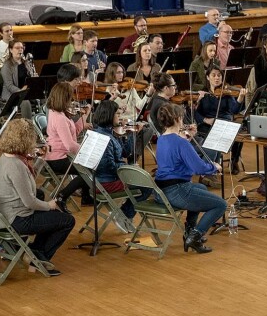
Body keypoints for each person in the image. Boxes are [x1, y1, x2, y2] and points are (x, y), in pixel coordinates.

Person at [0, 119, 74, 276]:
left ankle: (34, 255)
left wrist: (41, 160)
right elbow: (29, 202)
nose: (34, 143)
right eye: (32, 139)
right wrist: (49, 205)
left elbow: (26, 181)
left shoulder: (8, 157)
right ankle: (37, 259)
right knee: (67, 221)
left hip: (7, 213)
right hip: (17, 218)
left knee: (53, 218)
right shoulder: (15, 165)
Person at [154, 102, 225, 253]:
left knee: (201, 187)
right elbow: (198, 168)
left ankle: (189, 230)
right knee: (221, 205)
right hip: (177, 190)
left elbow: (178, 153)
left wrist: (188, 138)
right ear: (177, 118)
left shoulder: (161, 139)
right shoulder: (181, 143)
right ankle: (195, 236)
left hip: (161, 191)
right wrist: (214, 167)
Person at [90, 100, 150, 231]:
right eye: (117, 114)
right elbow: (108, 166)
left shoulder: (107, 132)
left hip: (104, 179)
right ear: (109, 115)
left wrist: (132, 133)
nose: (120, 117)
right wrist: (129, 169)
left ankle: (123, 214)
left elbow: (125, 152)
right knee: (146, 185)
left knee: (143, 181)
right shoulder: (104, 138)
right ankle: (124, 215)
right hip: (106, 182)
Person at [45, 82, 94, 206]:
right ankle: (62, 196)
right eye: (70, 98)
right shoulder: (59, 117)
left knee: (89, 166)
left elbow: (74, 131)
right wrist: (88, 151)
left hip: (61, 155)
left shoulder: (57, 112)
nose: (71, 101)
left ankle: (86, 197)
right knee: (90, 169)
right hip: (58, 159)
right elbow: (70, 145)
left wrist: (85, 115)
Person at [194, 65, 248, 174]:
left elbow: (234, 110)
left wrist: (241, 97)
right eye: (213, 75)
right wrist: (205, 120)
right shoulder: (203, 94)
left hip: (225, 123)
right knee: (215, 138)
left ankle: (234, 160)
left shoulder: (226, 93)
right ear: (208, 77)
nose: (217, 78)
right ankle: (209, 170)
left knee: (239, 133)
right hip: (207, 124)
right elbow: (196, 114)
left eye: (219, 75)